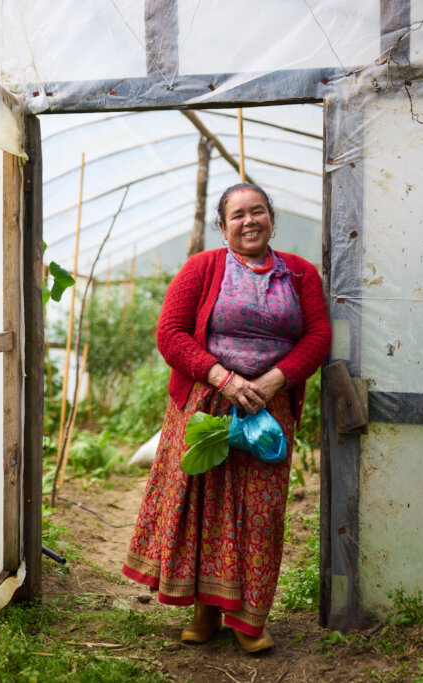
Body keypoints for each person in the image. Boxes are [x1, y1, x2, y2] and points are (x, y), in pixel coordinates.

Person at [122, 183, 331, 653]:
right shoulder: (202, 268)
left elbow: (317, 336)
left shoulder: (300, 274)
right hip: (207, 403)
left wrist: (277, 379)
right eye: (238, 215)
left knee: (260, 512)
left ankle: (248, 618)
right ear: (223, 227)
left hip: (267, 410)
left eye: (258, 211)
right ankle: (205, 610)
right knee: (204, 506)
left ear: (271, 218)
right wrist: (223, 378)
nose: (249, 221)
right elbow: (170, 334)